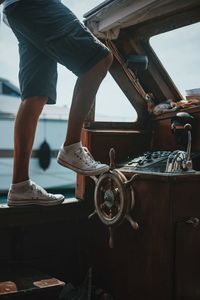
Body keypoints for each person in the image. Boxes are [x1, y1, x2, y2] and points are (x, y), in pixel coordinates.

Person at [1, 0, 113, 207]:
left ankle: (20, 186)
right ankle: (71, 146)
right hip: (34, 4)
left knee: (35, 95)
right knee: (99, 60)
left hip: (16, 10)